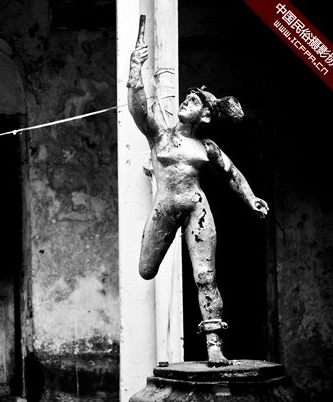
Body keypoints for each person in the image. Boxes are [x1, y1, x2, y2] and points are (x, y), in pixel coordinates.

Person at [127, 16, 269, 366]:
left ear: (205, 116)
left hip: (196, 208)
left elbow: (232, 173)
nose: (187, 100)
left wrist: (251, 198)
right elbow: (139, 109)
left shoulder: (206, 148)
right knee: (145, 269)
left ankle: (214, 345)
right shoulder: (161, 134)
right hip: (165, 206)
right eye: (188, 97)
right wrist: (135, 70)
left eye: (194, 101)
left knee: (206, 276)